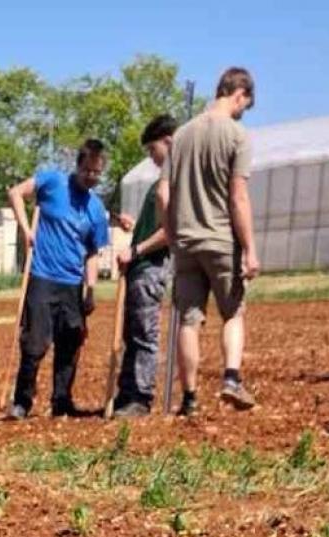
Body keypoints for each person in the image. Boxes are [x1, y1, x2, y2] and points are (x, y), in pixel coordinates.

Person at [160, 67, 260, 415]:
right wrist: (250, 249)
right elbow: (238, 198)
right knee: (232, 312)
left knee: (189, 319)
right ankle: (231, 378)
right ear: (239, 94)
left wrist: (173, 236)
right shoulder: (237, 135)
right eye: (245, 104)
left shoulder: (182, 136)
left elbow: (163, 194)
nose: (243, 111)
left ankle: (189, 399)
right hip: (220, 240)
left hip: (186, 243)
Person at [5, 140, 111, 418]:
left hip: (72, 284)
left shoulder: (96, 209)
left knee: (71, 342)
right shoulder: (52, 182)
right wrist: (26, 229)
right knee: (34, 342)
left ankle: (61, 400)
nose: (92, 177)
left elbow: (92, 253)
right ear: (78, 165)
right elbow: (16, 193)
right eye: (88, 171)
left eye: (97, 173)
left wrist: (90, 289)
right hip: (42, 276)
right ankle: (22, 401)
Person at [110, 114, 176, 416]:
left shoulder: (175, 181)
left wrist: (135, 249)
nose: (151, 157)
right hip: (140, 268)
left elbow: (169, 232)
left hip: (150, 268)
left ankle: (140, 398)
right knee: (132, 334)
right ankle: (126, 395)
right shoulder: (160, 181)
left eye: (153, 150)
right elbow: (155, 226)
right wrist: (136, 228)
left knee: (144, 336)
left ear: (168, 142)